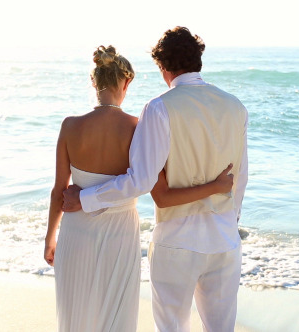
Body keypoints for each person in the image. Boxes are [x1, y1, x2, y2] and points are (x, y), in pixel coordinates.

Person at [63, 27, 249, 332]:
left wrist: (84, 199)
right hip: (225, 240)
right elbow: (240, 178)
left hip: (178, 241)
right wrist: (229, 221)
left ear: (163, 67)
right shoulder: (235, 106)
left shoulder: (160, 107)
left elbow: (139, 181)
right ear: (198, 59)